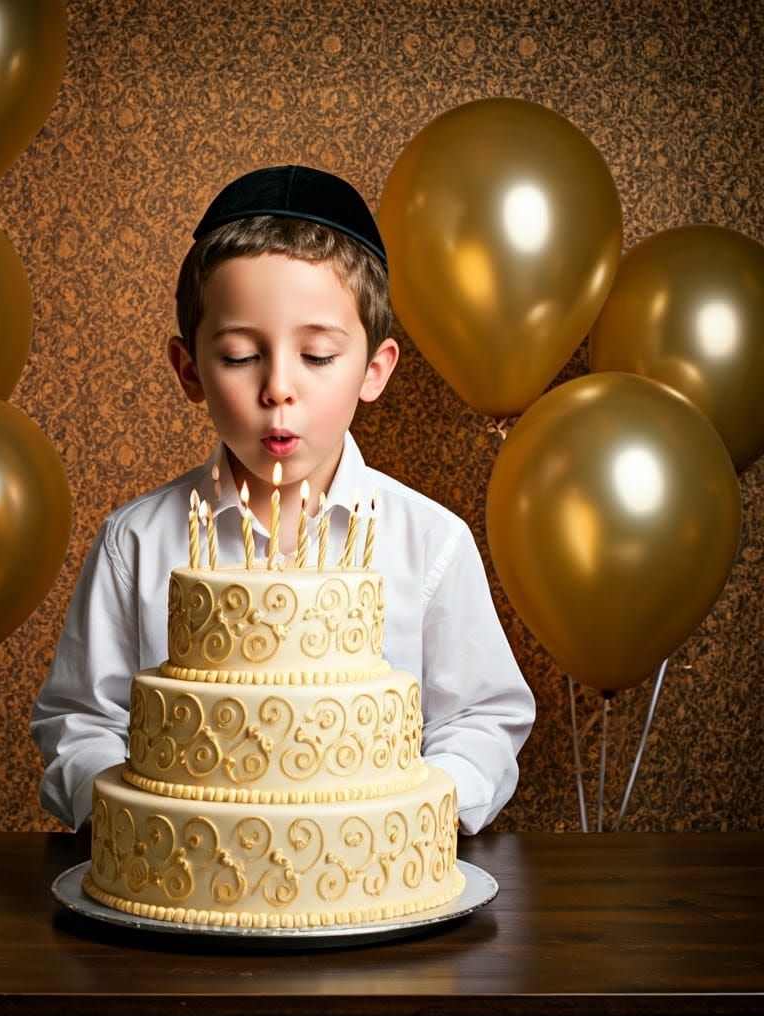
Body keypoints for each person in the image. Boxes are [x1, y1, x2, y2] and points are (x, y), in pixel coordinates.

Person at [31, 164, 535, 836]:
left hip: (374, 873)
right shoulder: (136, 543)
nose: (278, 389)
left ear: (374, 370)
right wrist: (136, 819)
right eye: (241, 356)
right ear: (190, 370)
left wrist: (412, 815)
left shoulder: (430, 542)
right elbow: (80, 721)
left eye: (318, 356)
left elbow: (482, 719)